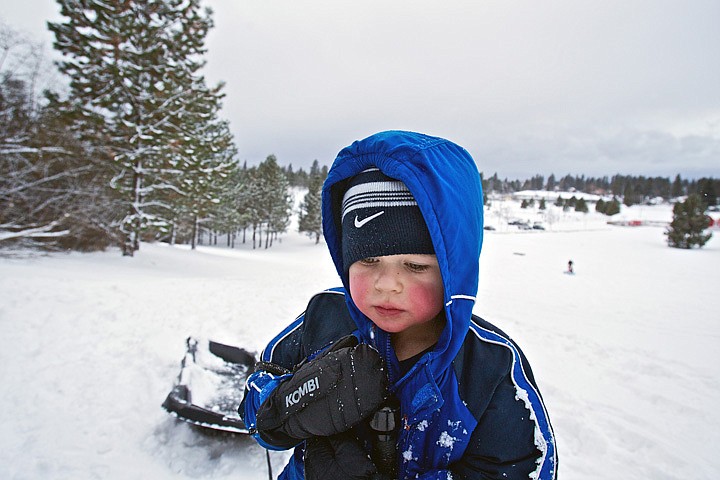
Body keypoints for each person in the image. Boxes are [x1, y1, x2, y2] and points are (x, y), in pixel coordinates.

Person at [240, 131, 557, 480]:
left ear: (454, 272)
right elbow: (258, 402)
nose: (386, 284)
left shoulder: (490, 367)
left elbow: (521, 470)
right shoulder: (324, 317)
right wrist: (287, 405)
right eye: (368, 260)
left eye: (416, 266)